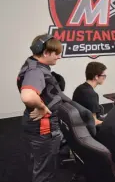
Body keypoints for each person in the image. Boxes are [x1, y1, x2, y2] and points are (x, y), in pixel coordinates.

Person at [17, 34, 63, 182]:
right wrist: (42, 107)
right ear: (45, 53)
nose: (59, 57)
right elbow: (28, 96)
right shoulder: (36, 71)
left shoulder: (32, 64)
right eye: (57, 53)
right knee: (45, 171)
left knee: (37, 162)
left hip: (34, 124)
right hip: (43, 128)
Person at [72, 61, 107, 126]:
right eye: (104, 76)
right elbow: (94, 122)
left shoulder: (79, 88)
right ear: (96, 77)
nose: (104, 78)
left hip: (80, 124)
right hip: (90, 129)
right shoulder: (92, 95)